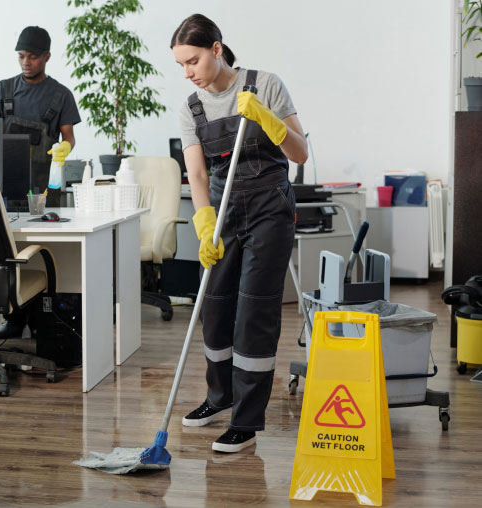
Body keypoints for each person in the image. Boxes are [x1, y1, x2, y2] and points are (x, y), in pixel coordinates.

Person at [171, 14, 308, 453]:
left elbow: (300, 153)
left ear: (216, 49)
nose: (188, 72)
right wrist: (204, 223)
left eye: (193, 60)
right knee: (214, 307)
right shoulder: (191, 108)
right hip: (223, 213)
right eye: (180, 65)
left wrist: (269, 119)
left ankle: (246, 421)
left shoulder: (264, 85)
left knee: (254, 312)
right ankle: (220, 396)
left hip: (269, 209)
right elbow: (196, 173)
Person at [0, 26, 81, 339]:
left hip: (43, 193)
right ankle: (14, 321)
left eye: (33, 57)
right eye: (21, 56)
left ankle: (44, 325)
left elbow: (69, 137)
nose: (26, 62)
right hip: (2, 189)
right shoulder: (2, 91)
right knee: (7, 250)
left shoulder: (60, 95)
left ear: (47, 57)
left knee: (46, 250)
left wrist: (65, 148)